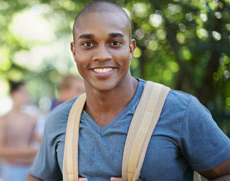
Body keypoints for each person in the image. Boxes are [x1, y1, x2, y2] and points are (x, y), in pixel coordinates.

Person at [27, 1, 230, 180]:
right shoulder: (60, 119)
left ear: (131, 48)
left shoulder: (180, 110)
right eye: (88, 44)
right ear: (74, 51)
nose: (102, 55)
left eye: (115, 43)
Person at [0, 81, 38, 181]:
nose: (26, 96)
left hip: (31, 170)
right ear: (13, 94)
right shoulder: (3, 119)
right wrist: (28, 152)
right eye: (23, 93)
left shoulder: (31, 119)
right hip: (12, 170)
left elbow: (36, 139)